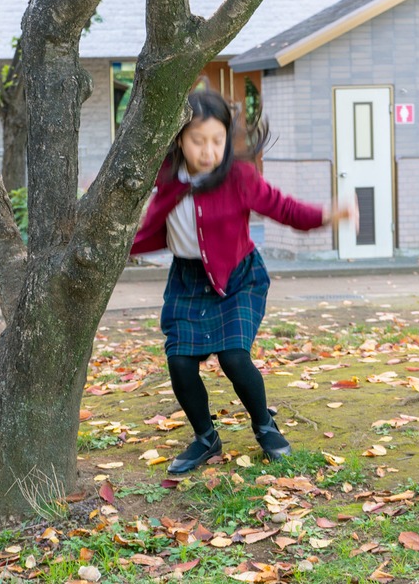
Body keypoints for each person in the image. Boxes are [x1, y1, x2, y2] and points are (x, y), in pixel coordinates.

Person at [131, 91, 356, 474]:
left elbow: (283, 208)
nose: (208, 151)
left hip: (239, 276)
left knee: (235, 356)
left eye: (216, 140)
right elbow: (146, 221)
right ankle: (205, 438)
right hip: (187, 281)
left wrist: (327, 215)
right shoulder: (167, 178)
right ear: (179, 139)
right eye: (197, 140)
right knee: (179, 363)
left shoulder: (239, 177)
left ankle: (265, 426)